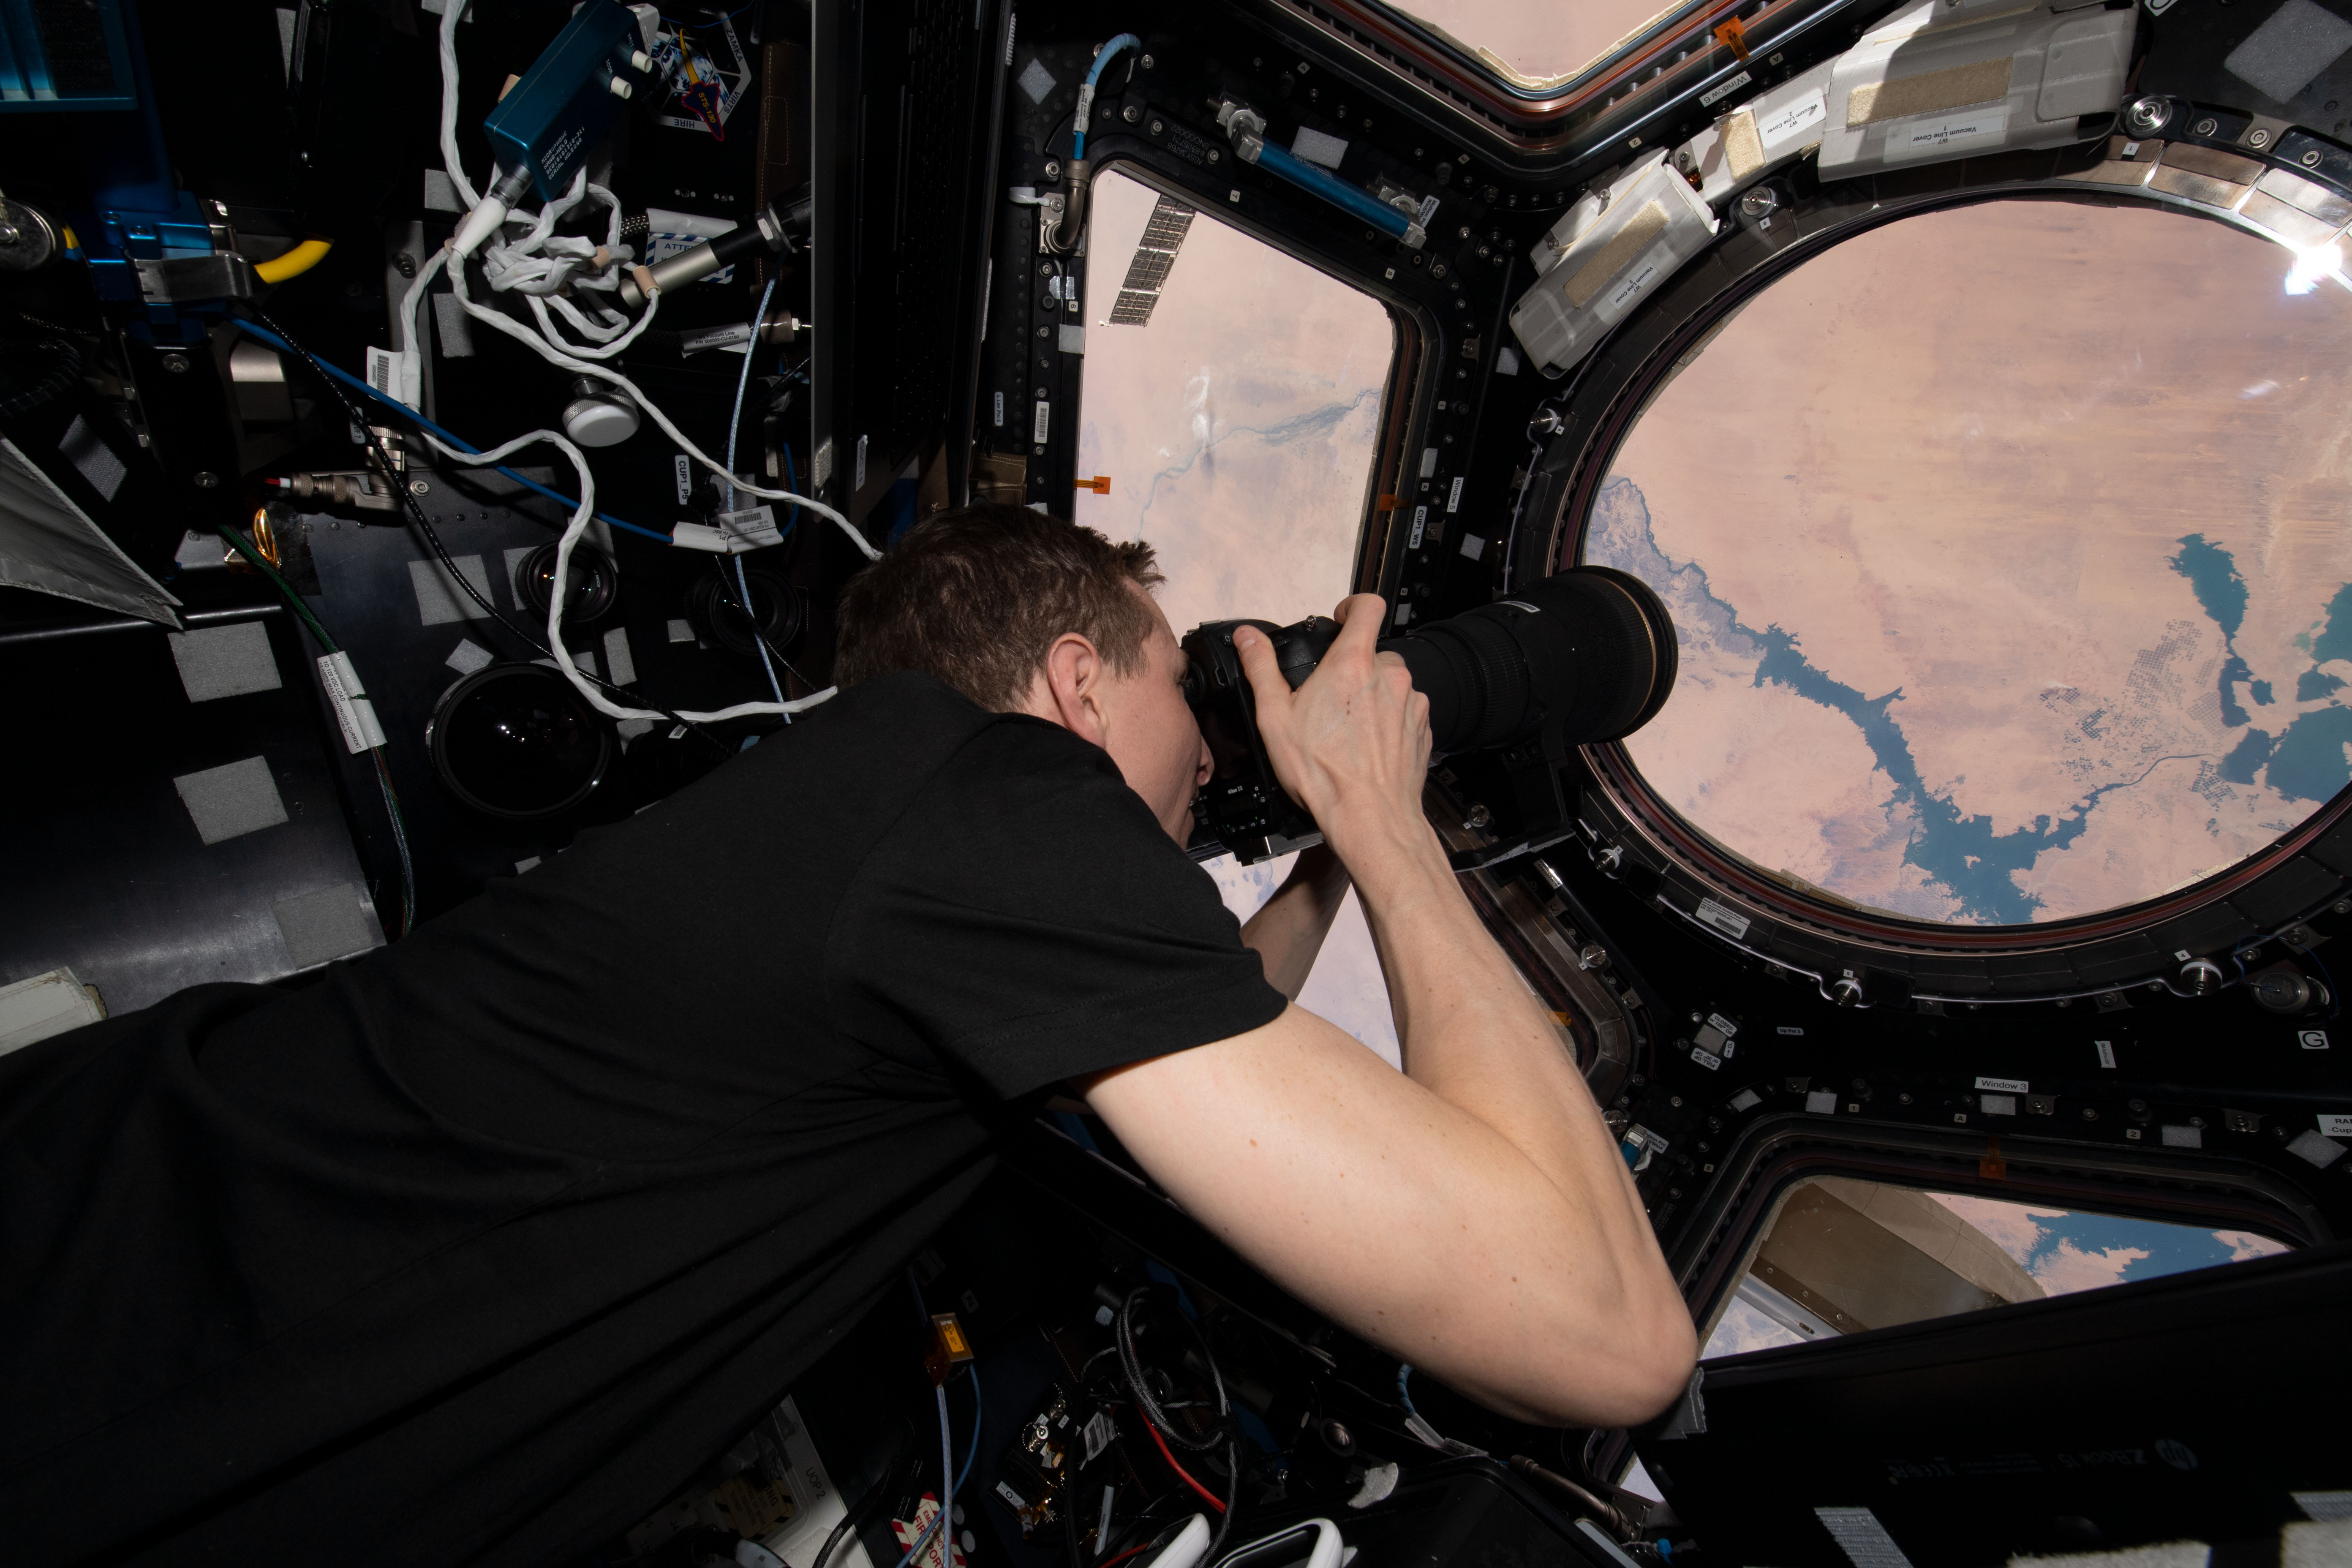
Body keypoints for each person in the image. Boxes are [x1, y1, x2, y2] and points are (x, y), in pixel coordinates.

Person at [0, 504, 1693, 1564]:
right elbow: (1604, 1334)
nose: (1214, 749)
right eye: (1190, 689)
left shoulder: (884, 835)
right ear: (1077, 688)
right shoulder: (981, 797)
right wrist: (1389, 827)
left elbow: (1203, 1037)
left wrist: (1332, 862)